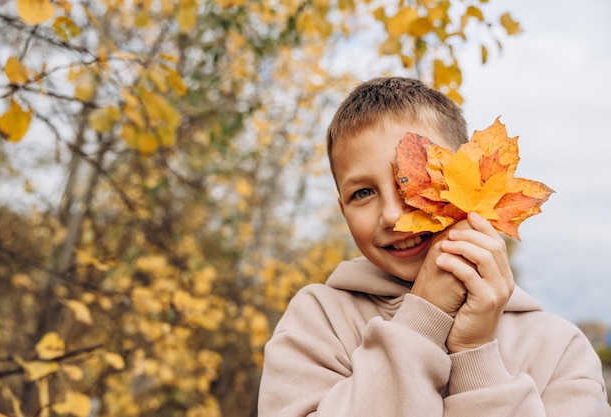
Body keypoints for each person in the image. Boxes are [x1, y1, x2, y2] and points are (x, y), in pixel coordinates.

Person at [257, 76, 611, 416]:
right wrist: (423, 319)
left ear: (467, 179)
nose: (393, 215)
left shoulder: (559, 349)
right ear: (343, 209)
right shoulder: (317, 322)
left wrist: (474, 356)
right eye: (362, 193)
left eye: (412, 179)